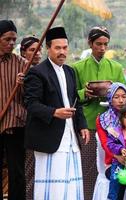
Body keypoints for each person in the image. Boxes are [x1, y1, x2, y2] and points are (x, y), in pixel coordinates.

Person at [24, 26, 90, 200]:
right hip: (50, 138)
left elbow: (76, 101)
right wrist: (54, 112)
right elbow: (31, 104)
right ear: (48, 48)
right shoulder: (37, 73)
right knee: (51, 188)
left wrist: (82, 125)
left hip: (70, 138)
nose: (62, 52)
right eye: (58, 48)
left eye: (65, 47)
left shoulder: (69, 71)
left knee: (71, 186)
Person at [72, 26, 126, 199]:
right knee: (87, 166)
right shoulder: (77, 68)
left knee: (110, 166)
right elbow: (71, 95)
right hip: (87, 124)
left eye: (105, 44)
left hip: (112, 126)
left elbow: (123, 94)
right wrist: (83, 93)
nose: (102, 48)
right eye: (98, 44)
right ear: (90, 43)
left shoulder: (116, 67)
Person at [0, 19, 26, 200]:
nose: (11, 43)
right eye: (6, 39)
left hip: (15, 124)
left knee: (17, 171)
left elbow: (31, 97)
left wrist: (23, 84)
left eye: (14, 40)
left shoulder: (23, 64)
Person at [20, 35, 42, 200]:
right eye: (33, 50)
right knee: (26, 168)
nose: (38, 53)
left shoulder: (45, 71)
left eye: (40, 49)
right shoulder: (20, 71)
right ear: (23, 52)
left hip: (41, 126)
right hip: (23, 125)